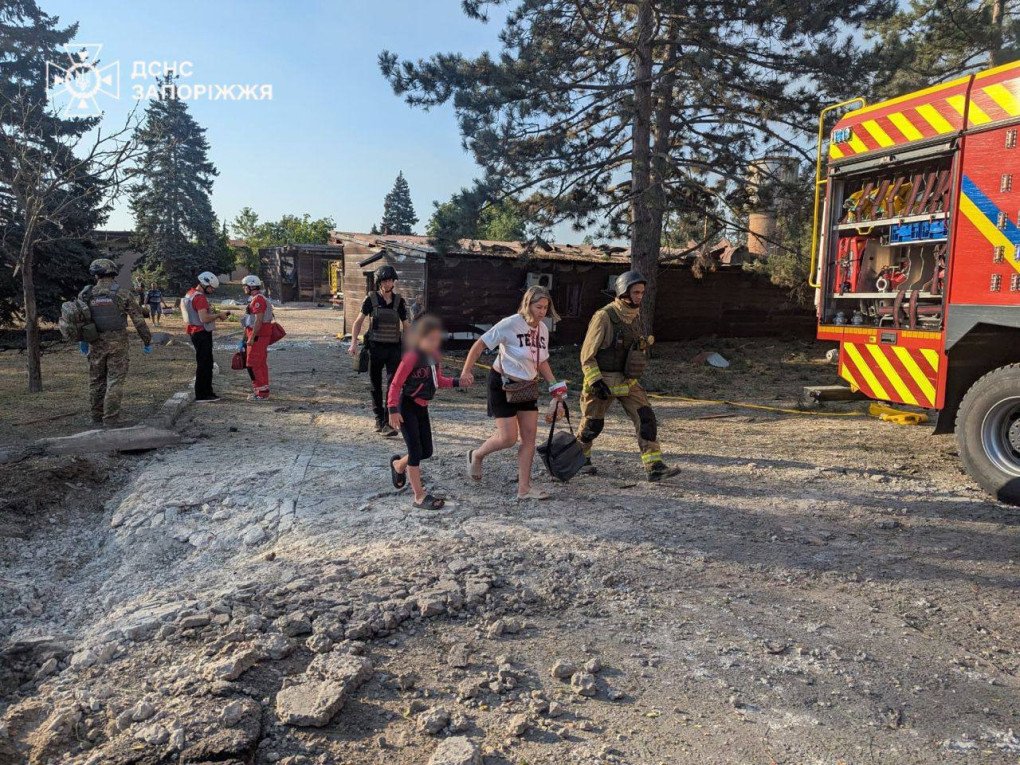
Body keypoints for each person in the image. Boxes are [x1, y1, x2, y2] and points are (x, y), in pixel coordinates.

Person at [460, 286, 568, 500]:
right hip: (502, 383)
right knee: (508, 438)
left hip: (527, 386)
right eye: (538, 307)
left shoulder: (543, 329)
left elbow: (542, 361)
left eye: (545, 308)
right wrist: (466, 371)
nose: (542, 312)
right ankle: (477, 455)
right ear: (528, 304)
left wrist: (556, 389)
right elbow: (480, 345)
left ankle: (524, 489)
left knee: (529, 438)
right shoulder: (510, 324)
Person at [577, 271, 680, 482]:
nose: (640, 296)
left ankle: (654, 466)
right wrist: (595, 381)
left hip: (628, 382)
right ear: (623, 292)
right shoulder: (604, 317)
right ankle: (579, 460)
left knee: (646, 419)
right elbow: (587, 355)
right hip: (602, 382)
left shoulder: (635, 316)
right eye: (636, 292)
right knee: (591, 426)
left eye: (642, 292)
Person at [387, 315, 470, 509]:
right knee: (415, 451)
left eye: (437, 339)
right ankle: (419, 496)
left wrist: (458, 382)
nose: (435, 343)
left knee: (426, 451)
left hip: (422, 407)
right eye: (430, 339)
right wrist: (392, 409)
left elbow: (438, 381)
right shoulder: (411, 357)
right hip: (407, 407)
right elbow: (395, 384)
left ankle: (398, 465)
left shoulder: (434, 357)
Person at [79, 259, 152, 427]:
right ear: (113, 273)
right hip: (118, 344)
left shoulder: (86, 294)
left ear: (96, 274)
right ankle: (111, 419)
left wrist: (82, 340)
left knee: (96, 380)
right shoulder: (122, 293)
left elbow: (79, 320)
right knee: (115, 381)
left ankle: (96, 418)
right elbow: (138, 321)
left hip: (95, 343)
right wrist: (147, 341)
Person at [347, 264, 410, 437]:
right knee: (375, 386)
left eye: (390, 280)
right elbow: (358, 322)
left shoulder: (399, 302)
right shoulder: (371, 299)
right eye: (385, 281)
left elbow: (406, 326)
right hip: (375, 349)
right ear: (379, 282)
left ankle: (388, 422)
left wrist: (411, 346)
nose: (388, 283)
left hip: (394, 349)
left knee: (392, 384)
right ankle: (378, 419)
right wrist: (353, 343)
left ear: (393, 282)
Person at [182, 272, 230, 402]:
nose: (212, 290)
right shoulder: (200, 298)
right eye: (211, 288)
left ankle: (205, 392)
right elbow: (204, 318)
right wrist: (218, 315)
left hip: (194, 331)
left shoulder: (190, 294)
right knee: (205, 363)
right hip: (201, 332)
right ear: (205, 284)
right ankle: (203, 394)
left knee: (204, 362)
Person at [240, 274, 273, 401]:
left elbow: (258, 320)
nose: (244, 288)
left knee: (253, 364)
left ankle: (260, 393)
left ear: (251, 286)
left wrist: (252, 337)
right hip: (258, 335)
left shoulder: (258, 300)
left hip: (258, 335)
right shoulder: (256, 299)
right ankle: (263, 390)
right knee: (260, 363)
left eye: (245, 286)